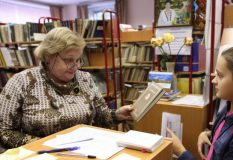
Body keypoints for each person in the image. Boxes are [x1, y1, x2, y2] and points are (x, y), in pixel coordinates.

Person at [0, 27, 133, 149]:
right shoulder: (21, 82)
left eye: (78, 60)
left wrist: (117, 115)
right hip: (42, 158)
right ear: (48, 56)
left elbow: (101, 116)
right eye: (69, 60)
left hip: (85, 151)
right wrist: (46, 145)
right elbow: (4, 131)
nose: (76, 66)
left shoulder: (85, 78)